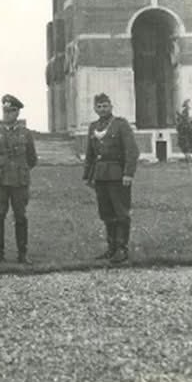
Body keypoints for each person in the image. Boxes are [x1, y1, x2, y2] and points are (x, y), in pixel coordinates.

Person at [82, 92, 139, 265]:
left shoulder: (121, 125)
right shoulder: (93, 127)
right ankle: (111, 248)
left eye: (105, 106)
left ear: (111, 107)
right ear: (94, 108)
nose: (102, 109)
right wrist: (87, 176)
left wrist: (128, 173)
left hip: (118, 175)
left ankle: (122, 249)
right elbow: (90, 154)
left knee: (120, 211)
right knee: (106, 212)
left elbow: (132, 151)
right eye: (98, 106)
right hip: (100, 176)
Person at [0, 93, 37, 264]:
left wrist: (20, 170)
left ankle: (22, 254)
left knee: (20, 217)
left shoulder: (26, 134)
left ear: (17, 113)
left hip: (19, 181)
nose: (7, 114)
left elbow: (32, 159)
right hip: (0, 181)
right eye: (5, 111)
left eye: (11, 111)